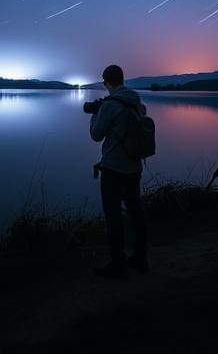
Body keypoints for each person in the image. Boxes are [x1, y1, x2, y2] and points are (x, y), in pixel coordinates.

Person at [89, 64, 149, 280]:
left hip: (114, 168)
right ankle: (140, 259)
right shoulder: (136, 101)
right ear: (122, 79)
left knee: (113, 215)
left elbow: (96, 135)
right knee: (136, 212)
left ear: (106, 82)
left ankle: (118, 265)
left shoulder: (110, 104)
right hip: (134, 166)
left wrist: (95, 114)